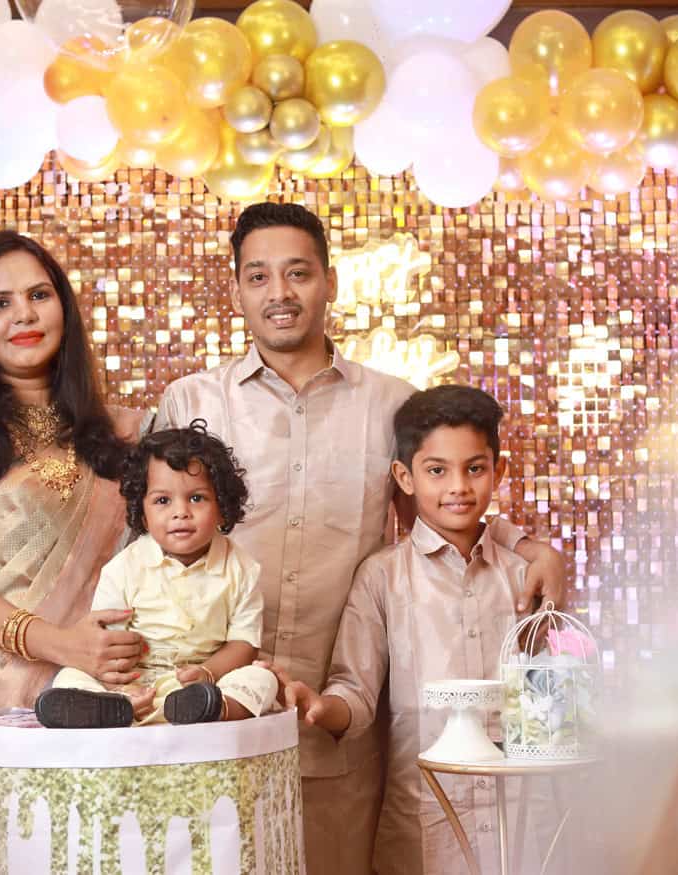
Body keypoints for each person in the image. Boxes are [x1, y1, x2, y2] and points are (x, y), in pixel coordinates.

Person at [155, 202, 568, 874]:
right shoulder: (191, 404)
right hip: (209, 715)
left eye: (297, 273)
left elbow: (443, 518)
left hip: (341, 726)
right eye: (257, 277)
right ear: (234, 289)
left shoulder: (389, 404)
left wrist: (527, 546)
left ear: (329, 281)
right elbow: (150, 533)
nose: (278, 293)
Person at [0, 231, 150, 820]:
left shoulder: (128, 436)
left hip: (109, 693)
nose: (24, 315)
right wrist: (64, 646)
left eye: (39, 294)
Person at [272, 385, 543, 875]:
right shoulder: (383, 577)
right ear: (406, 476)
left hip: (521, 826)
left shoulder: (524, 579)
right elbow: (355, 692)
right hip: (423, 830)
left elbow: (549, 692)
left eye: (474, 468)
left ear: (498, 472)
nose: (457, 486)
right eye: (437, 470)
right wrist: (321, 706)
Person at [35, 420, 279, 727]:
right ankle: (109, 709)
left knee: (262, 678)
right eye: (163, 501)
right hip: (135, 685)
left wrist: (207, 675)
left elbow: (243, 644)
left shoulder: (241, 569)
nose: (181, 512)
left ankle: (215, 709)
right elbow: (108, 641)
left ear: (222, 506)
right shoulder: (124, 568)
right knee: (70, 677)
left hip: (202, 686)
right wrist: (122, 685)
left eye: (196, 498)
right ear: (143, 512)